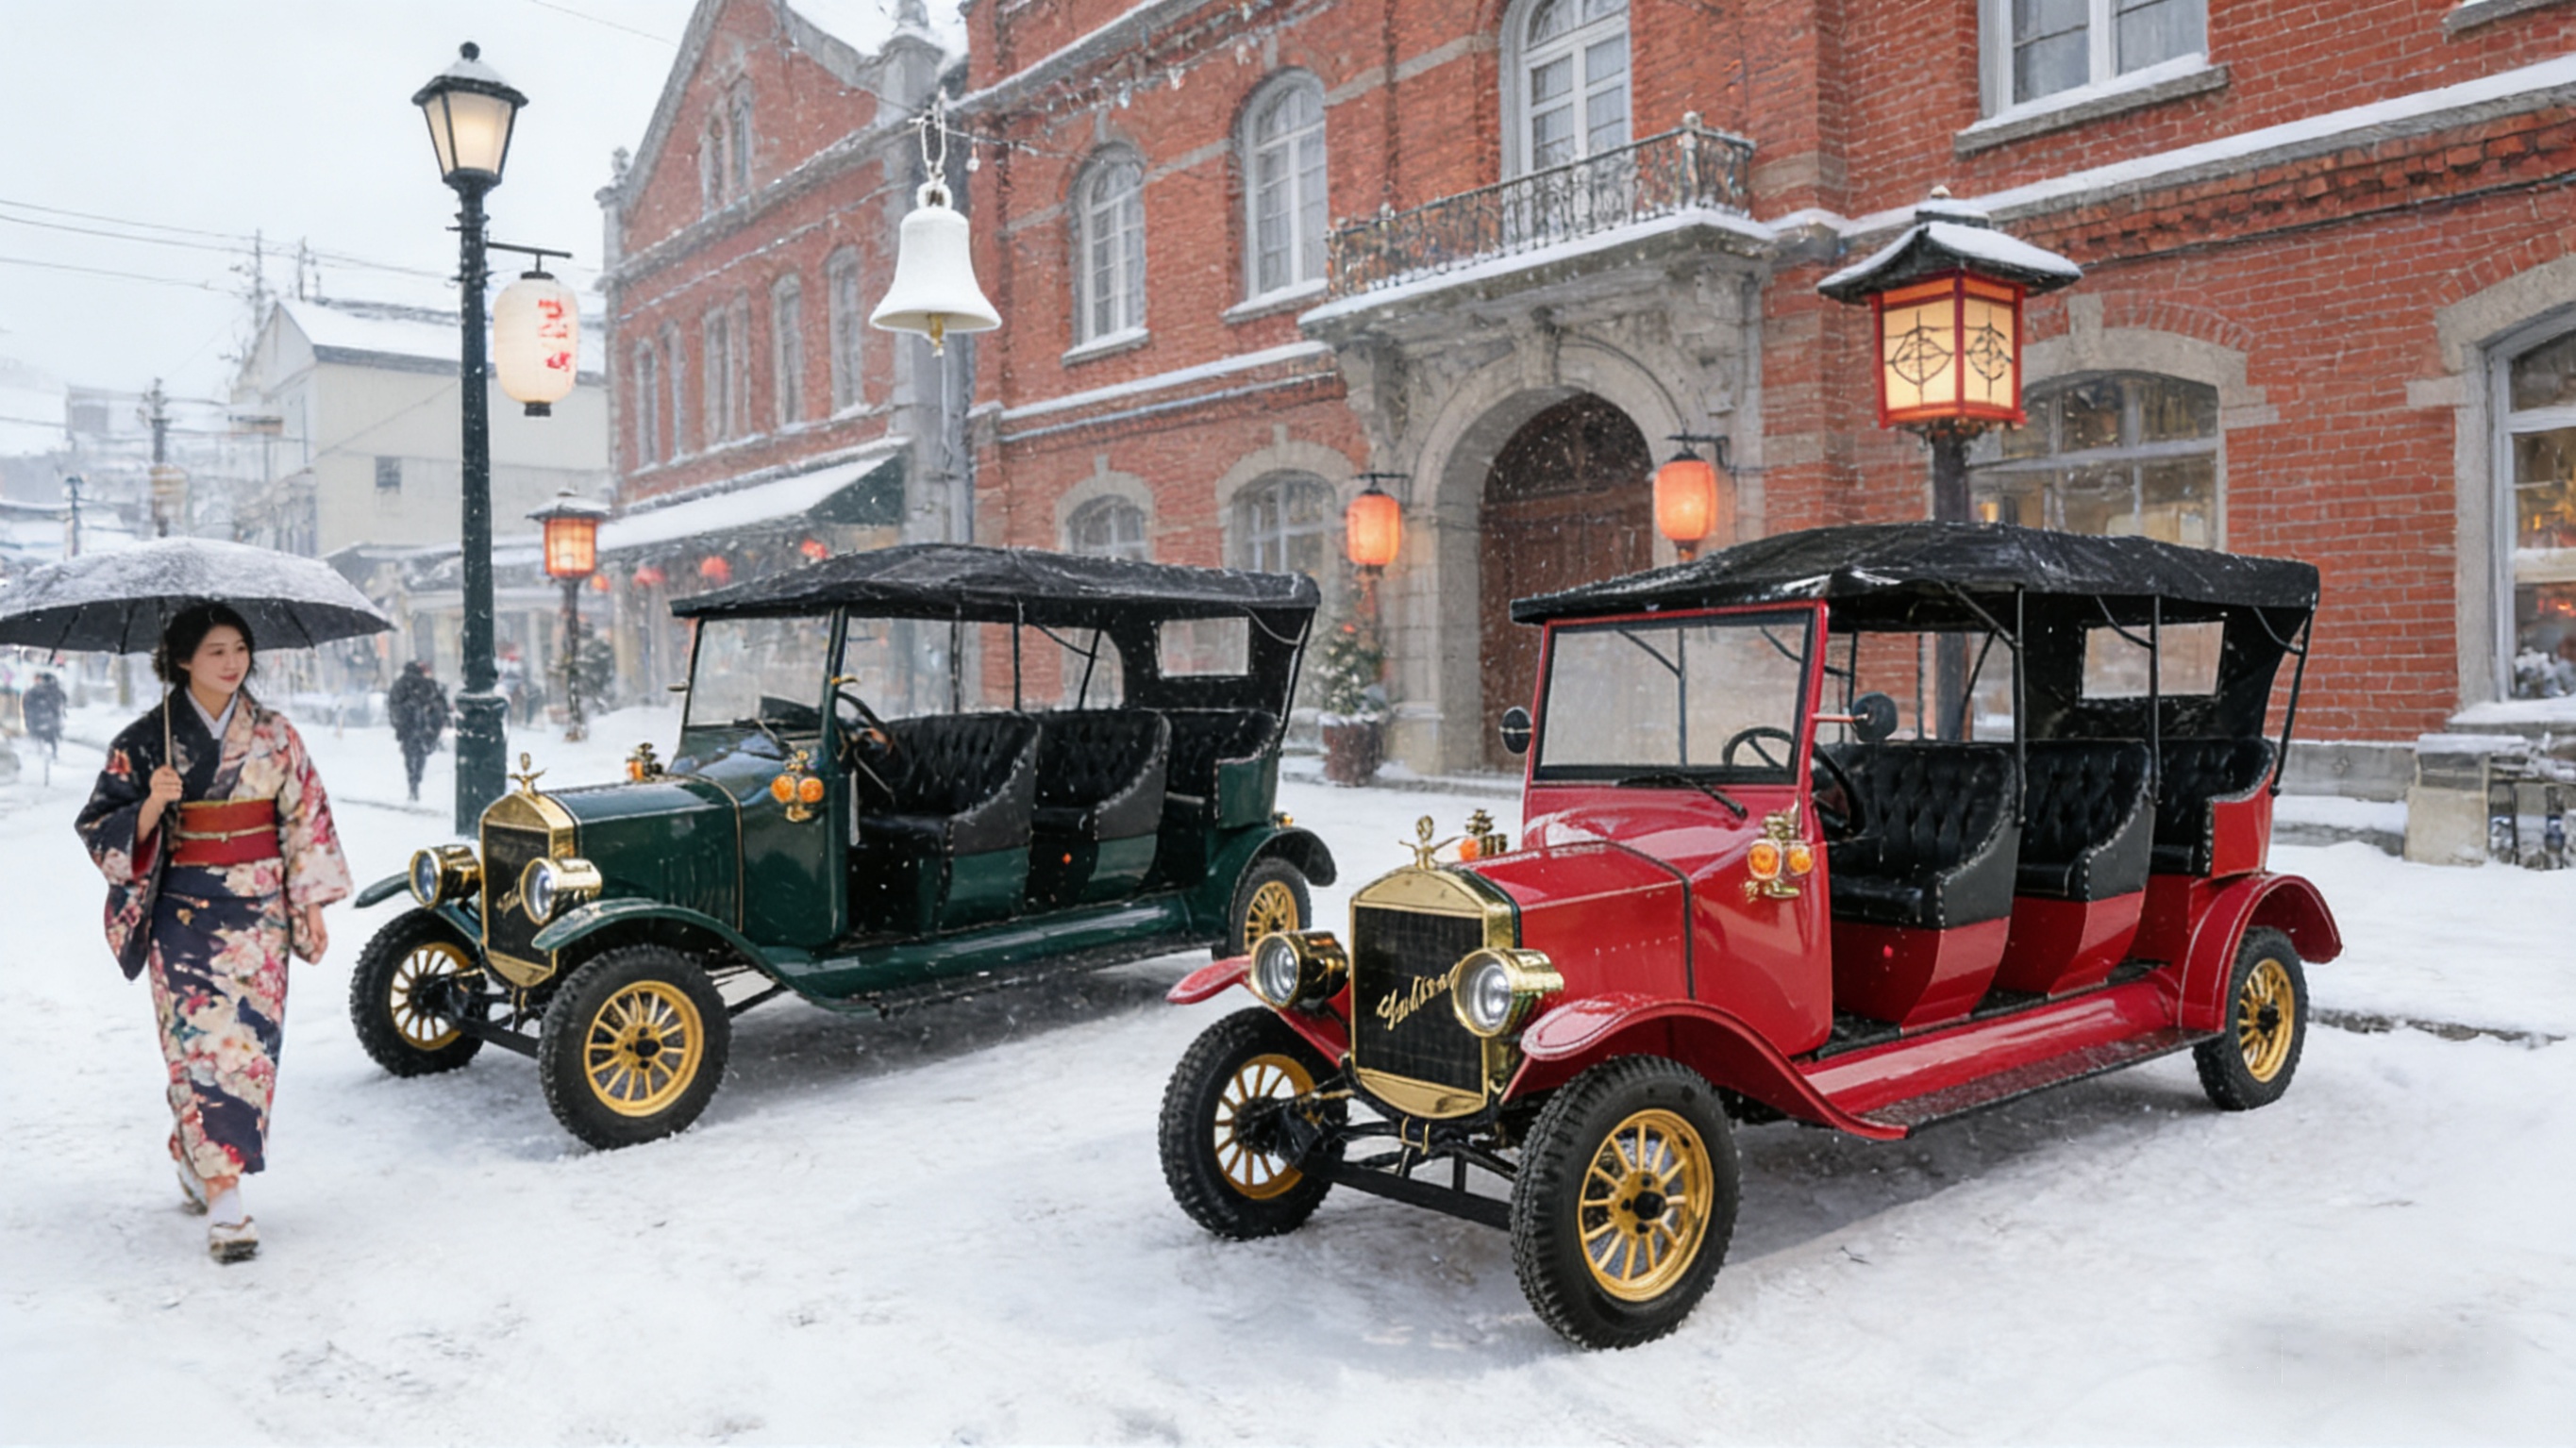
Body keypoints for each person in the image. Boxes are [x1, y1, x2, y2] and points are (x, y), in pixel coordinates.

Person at [74, 604, 352, 1263]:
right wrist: (151, 802)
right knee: (201, 1043)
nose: (232, 663)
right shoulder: (146, 740)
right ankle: (227, 1201)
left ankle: (192, 1146)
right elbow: (99, 827)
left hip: (261, 912)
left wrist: (310, 901)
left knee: (246, 1050)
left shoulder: (276, 734)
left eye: (240, 649)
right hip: (185, 912)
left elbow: (304, 816)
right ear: (181, 660)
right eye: (215, 651)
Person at [386, 660, 449, 803]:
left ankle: (413, 782)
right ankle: (417, 778)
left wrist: (399, 725)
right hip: (423, 729)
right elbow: (438, 703)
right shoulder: (427, 684)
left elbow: (393, 706)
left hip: (408, 728)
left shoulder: (400, 684)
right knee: (421, 755)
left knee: (410, 756)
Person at [23, 670, 64, 759]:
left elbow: (27, 705)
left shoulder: (34, 691)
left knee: (40, 737)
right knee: (50, 739)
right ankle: (52, 754)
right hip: (49, 721)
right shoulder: (55, 690)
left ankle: (41, 754)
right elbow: (60, 703)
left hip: (40, 720)